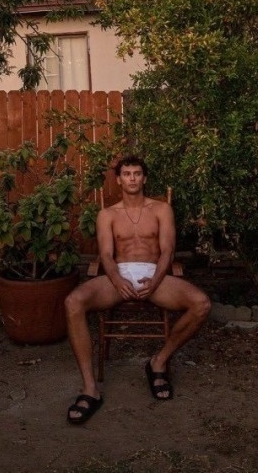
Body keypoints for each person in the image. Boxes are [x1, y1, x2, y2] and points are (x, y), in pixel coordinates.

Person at [65, 155, 211, 425]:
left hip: (152, 274)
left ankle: (158, 361)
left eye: (137, 173)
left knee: (201, 303)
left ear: (144, 178)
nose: (132, 178)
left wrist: (155, 280)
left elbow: (167, 251)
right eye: (127, 174)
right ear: (118, 180)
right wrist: (116, 280)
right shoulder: (107, 215)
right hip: (119, 273)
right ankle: (90, 389)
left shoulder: (162, 210)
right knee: (73, 302)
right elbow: (105, 255)